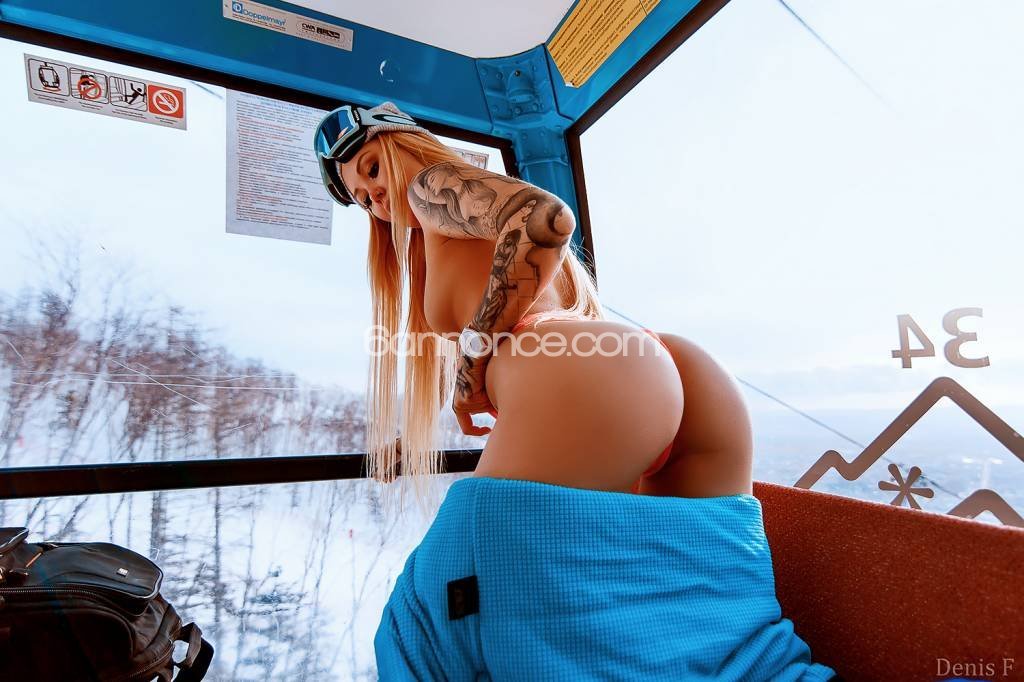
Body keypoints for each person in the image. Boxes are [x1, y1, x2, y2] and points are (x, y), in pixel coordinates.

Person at [313, 102, 837, 680]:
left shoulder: (430, 187)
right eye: (361, 199)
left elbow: (545, 220)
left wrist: (473, 360)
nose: (374, 195)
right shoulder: (441, 228)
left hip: (581, 380)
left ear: (404, 144)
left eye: (371, 168)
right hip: (666, 370)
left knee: (423, 626)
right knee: (699, 606)